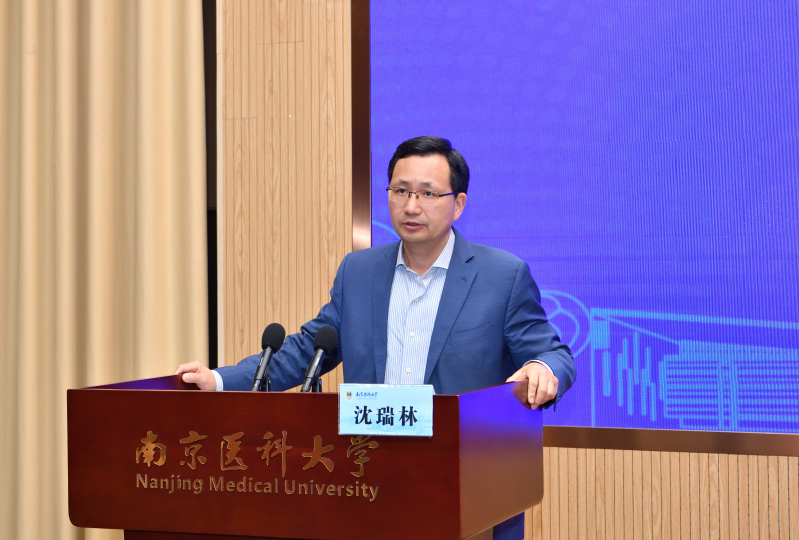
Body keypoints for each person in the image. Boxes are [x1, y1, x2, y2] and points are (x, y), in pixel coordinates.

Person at [175, 136, 576, 540]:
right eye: (401, 191)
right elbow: (307, 350)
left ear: (458, 204)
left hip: (467, 488)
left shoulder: (502, 276)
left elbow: (553, 353)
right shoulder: (358, 272)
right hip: (368, 484)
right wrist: (219, 380)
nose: (411, 206)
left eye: (428, 193)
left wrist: (543, 367)